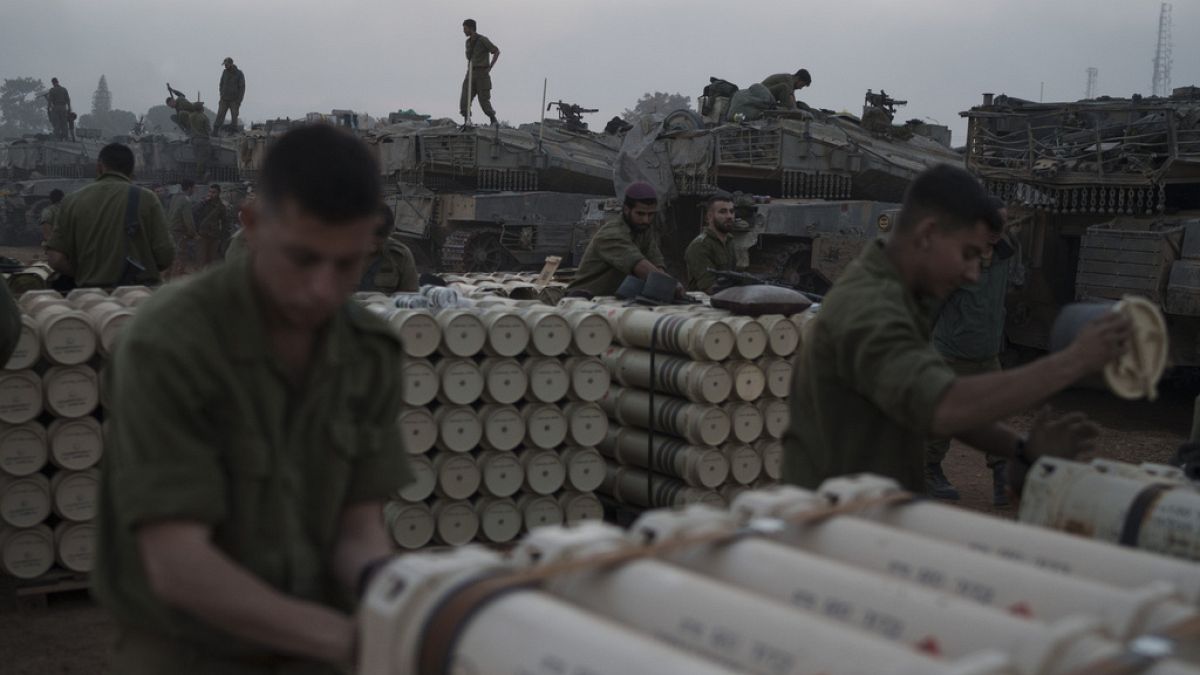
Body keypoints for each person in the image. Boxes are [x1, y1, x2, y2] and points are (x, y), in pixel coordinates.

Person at [93, 124, 411, 674]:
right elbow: (177, 562)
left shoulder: (367, 350)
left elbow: (357, 532)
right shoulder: (171, 341)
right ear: (252, 224)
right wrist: (347, 642)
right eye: (303, 258)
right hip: (191, 650)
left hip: (319, 639)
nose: (323, 290)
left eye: (347, 264)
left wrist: (416, 601)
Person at [783, 164, 1132, 495]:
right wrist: (1073, 361)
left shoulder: (902, 295)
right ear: (928, 234)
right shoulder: (871, 307)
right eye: (967, 254)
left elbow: (926, 399)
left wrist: (1020, 449)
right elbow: (944, 407)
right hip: (829, 523)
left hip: (864, 510)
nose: (972, 274)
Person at [924, 197, 1021, 505]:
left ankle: (1002, 475)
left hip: (987, 353)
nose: (996, 231)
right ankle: (929, 470)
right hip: (950, 354)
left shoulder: (1006, 255)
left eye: (1001, 224)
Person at [45, 143, 174, 287]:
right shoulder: (148, 198)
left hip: (90, 296)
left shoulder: (71, 200)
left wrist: (85, 274)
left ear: (99, 167)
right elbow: (165, 256)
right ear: (132, 170)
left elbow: (55, 259)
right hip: (139, 294)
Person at [567, 182, 669, 297]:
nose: (645, 220)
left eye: (650, 214)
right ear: (626, 209)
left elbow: (656, 264)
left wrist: (669, 285)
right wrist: (672, 287)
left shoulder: (642, 230)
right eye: (640, 214)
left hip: (614, 300)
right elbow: (641, 267)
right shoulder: (611, 234)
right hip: (583, 301)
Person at [685, 192, 738, 293]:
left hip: (728, 297)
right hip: (705, 304)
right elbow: (710, 287)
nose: (729, 216)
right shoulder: (700, 246)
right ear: (709, 216)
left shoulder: (729, 241)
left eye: (731, 211)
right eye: (723, 212)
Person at [361, 204, 419, 293]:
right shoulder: (340, 253)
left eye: (380, 235)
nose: (372, 246)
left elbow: (410, 297)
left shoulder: (400, 255)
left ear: (389, 232)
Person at [460, 18, 500, 126]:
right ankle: (466, 121)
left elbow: (496, 51)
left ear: (471, 28)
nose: (464, 31)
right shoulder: (468, 42)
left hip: (482, 73)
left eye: (465, 28)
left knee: (484, 100)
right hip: (470, 73)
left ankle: (493, 120)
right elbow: (469, 57)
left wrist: (490, 66)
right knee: (465, 98)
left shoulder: (483, 40)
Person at [166, 179, 198, 277]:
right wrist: (193, 234)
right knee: (180, 258)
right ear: (189, 188)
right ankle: (175, 283)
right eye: (194, 188)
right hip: (179, 233)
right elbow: (188, 220)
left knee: (170, 258)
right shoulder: (186, 200)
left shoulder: (175, 197)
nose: (195, 190)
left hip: (170, 231)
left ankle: (166, 281)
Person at [196, 183, 233, 267]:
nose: (210, 194)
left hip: (214, 236)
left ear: (218, 193)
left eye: (213, 192)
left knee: (212, 260)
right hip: (202, 235)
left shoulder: (221, 206)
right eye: (209, 192)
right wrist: (204, 202)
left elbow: (225, 222)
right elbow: (194, 212)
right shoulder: (203, 203)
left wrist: (223, 237)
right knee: (201, 259)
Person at [214, 57, 246, 134]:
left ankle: (233, 131)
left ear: (231, 64)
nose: (225, 66)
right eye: (224, 64)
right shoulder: (224, 72)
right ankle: (215, 130)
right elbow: (221, 84)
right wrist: (221, 94)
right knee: (220, 114)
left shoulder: (239, 73)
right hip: (224, 99)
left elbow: (242, 87)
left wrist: (239, 100)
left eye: (226, 64)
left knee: (234, 116)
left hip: (234, 100)